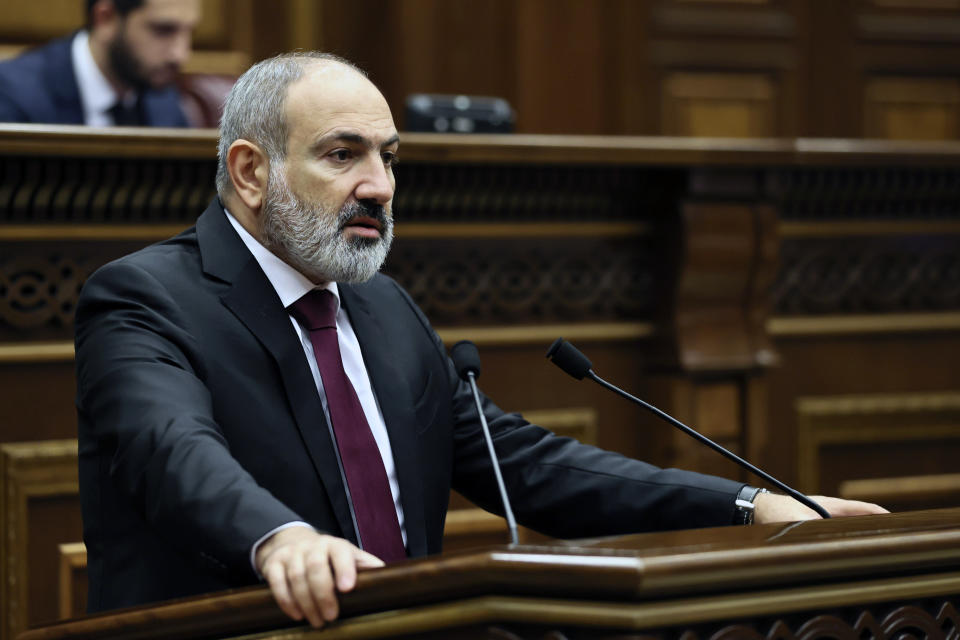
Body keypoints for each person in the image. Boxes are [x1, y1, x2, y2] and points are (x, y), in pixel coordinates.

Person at [73, 51, 887, 629]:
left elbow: (530, 467)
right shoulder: (145, 298)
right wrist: (280, 538)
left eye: (389, 158)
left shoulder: (382, 308)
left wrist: (752, 507)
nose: (380, 188)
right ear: (250, 172)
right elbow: (171, 449)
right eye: (343, 155)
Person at [0, 0, 199, 126]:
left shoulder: (163, 99)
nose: (180, 55)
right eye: (163, 30)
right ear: (105, 18)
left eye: (189, 32)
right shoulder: (14, 96)